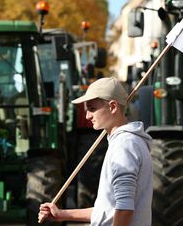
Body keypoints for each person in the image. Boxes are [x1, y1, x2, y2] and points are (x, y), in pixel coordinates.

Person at [38, 77, 153, 226]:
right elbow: (107, 211)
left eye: (92, 109)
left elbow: (124, 209)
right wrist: (61, 214)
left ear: (112, 107)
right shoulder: (126, 142)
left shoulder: (124, 145)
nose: (87, 116)